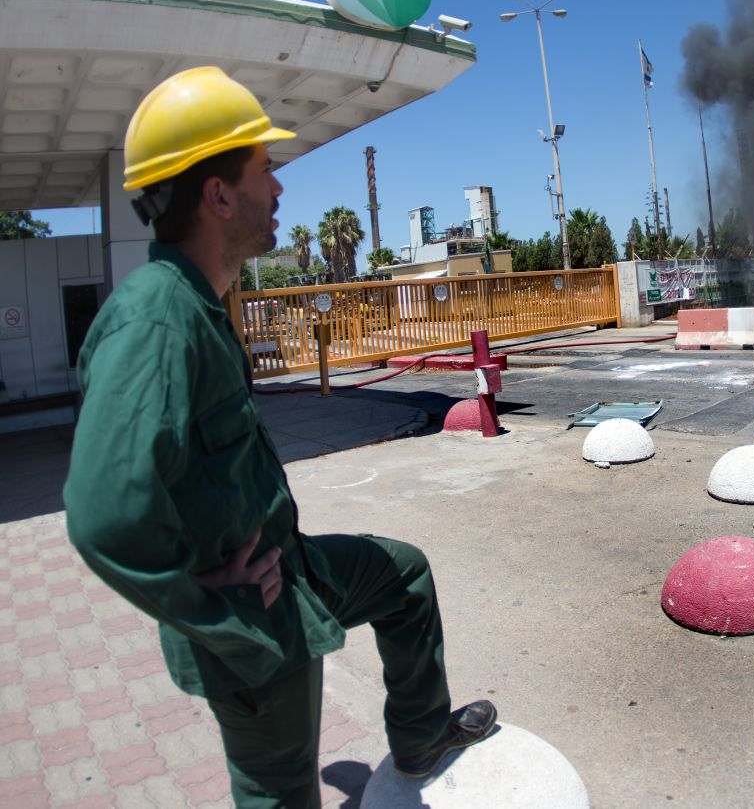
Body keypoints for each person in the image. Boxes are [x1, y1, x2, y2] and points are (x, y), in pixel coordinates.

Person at [63, 66, 495, 808]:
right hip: (252, 616)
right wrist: (215, 612)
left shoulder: (197, 302)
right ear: (218, 194)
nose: (279, 186)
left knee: (403, 577)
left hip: (289, 572)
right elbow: (104, 517)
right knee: (279, 793)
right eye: (265, 168)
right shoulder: (157, 319)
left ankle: (421, 736)